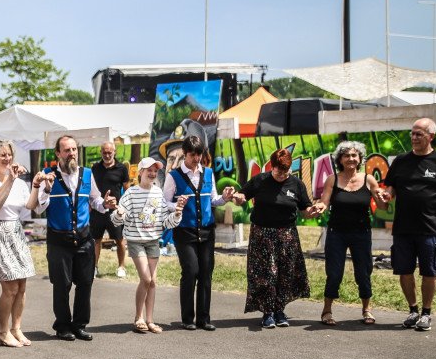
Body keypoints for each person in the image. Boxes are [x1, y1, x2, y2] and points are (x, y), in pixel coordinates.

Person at [382, 117, 436, 331]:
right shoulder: (401, 161)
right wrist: (386, 195)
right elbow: (390, 187)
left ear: (431, 136)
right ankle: (412, 310)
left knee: (430, 272)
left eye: (419, 134)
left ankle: (426, 313)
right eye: (412, 133)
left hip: (429, 228)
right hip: (402, 228)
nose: (414, 137)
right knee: (404, 270)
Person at [34, 135, 118, 341]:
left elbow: (95, 199)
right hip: (58, 239)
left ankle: (80, 325)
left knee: (85, 282)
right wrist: (46, 188)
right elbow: (39, 207)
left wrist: (104, 204)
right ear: (58, 154)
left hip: (83, 238)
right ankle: (62, 326)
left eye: (74, 149)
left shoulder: (87, 174)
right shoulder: (47, 174)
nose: (72, 153)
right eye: (67, 150)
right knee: (61, 284)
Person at [233, 148, 324, 329]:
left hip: (287, 234)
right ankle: (268, 313)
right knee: (266, 274)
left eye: (285, 171)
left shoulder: (297, 184)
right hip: (262, 234)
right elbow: (242, 196)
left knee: (285, 273)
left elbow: (305, 210)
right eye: (278, 171)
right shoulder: (261, 180)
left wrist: (314, 211)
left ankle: (280, 310)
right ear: (271, 166)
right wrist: (238, 197)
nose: (281, 175)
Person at [163, 135, 235, 331]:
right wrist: (175, 205)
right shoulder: (173, 176)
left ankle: (204, 318)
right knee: (191, 271)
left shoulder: (208, 173)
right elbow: (164, 203)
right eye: (192, 155)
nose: (196, 159)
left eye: (199, 154)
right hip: (184, 231)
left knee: (206, 273)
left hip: (206, 230)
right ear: (185, 154)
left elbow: (213, 200)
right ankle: (187, 318)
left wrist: (224, 198)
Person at [317, 140, 388, 326]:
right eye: (346, 155)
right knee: (334, 273)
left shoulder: (368, 179)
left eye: (354, 155)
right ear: (340, 159)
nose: (350, 158)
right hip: (336, 233)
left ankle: (366, 309)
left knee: (363, 272)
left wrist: (381, 198)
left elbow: (381, 205)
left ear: (360, 158)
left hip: (361, 233)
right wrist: (319, 207)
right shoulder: (332, 179)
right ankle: (327, 310)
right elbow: (324, 202)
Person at [111, 157, 185, 332]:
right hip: (136, 241)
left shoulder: (158, 193)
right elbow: (115, 220)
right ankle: (138, 317)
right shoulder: (130, 193)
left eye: (155, 171)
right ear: (140, 173)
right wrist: (119, 213)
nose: (152, 173)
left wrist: (176, 216)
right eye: (149, 170)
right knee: (146, 278)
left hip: (153, 241)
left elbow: (164, 222)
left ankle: (150, 320)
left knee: (153, 282)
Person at [0, 139, 36, 347]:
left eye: (9, 154)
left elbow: (30, 206)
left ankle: (16, 328)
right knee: (10, 286)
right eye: (3, 155)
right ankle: (3, 331)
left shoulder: (20, 182)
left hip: (16, 232)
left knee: (21, 285)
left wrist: (38, 187)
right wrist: (10, 180)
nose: (7, 158)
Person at [90, 142, 130, 278]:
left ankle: (121, 266)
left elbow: (127, 189)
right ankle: (94, 267)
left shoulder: (122, 168)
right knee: (96, 240)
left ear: (115, 152)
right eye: (104, 152)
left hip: (115, 211)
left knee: (119, 239)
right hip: (98, 210)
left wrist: (123, 208)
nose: (107, 155)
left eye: (110, 152)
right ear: (101, 152)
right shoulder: (94, 168)